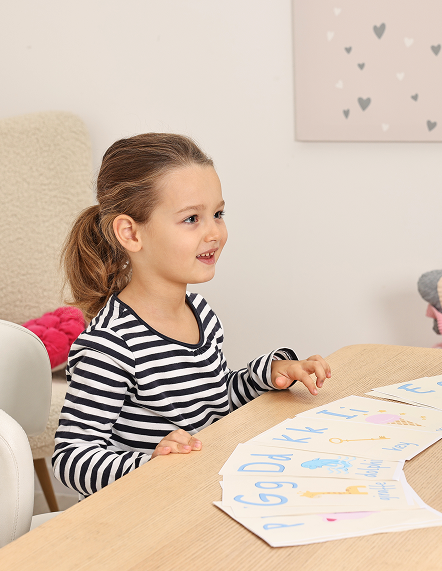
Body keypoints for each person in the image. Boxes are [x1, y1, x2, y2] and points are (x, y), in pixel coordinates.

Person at [52, 133, 331, 496]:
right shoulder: (110, 346)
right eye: (191, 219)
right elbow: (71, 458)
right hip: (147, 512)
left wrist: (268, 373)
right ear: (130, 233)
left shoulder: (199, 312)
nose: (214, 232)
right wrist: (149, 463)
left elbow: (213, 404)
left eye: (218, 214)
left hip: (201, 493)